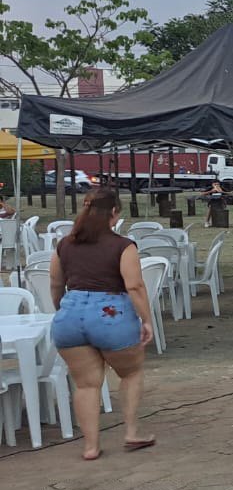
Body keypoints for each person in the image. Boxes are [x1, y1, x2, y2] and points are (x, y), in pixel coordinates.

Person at [48, 188, 156, 460]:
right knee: (130, 372)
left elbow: (56, 283)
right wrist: (146, 319)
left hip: (69, 316)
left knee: (85, 384)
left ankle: (91, 446)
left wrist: (61, 308)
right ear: (115, 213)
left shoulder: (64, 244)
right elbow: (134, 285)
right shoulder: (123, 246)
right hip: (110, 314)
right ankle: (131, 432)